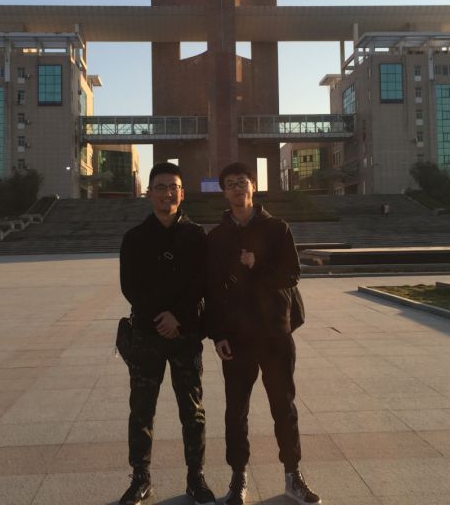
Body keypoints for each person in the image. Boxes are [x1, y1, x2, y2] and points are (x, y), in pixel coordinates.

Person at [206, 162, 321, 505]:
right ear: (224, 193)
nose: (237, 188)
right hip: (236, 338)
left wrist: (258, 265)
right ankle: (238, 477)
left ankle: (293, 475)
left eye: (242, 181)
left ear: (253, 186)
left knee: (283, 406)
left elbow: (292, 274)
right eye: (230, 184)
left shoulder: (277, 228)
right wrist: (217, 334)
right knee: (235, 411)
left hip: (274, 334)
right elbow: (211, 290)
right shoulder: (216, 237)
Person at [118, 162, 216, 505]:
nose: (167, 193)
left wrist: (179, 317)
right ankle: (140, 478)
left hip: (185, 335)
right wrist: (160, 317)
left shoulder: (196, 236)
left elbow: (202, 283)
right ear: (149, 193)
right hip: (146, 335)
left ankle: (196, 477)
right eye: (160, 187)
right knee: (141, 409)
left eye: (173, 187)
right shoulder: (134, 238)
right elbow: (130, 286)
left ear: (182, 193)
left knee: (193, 410)